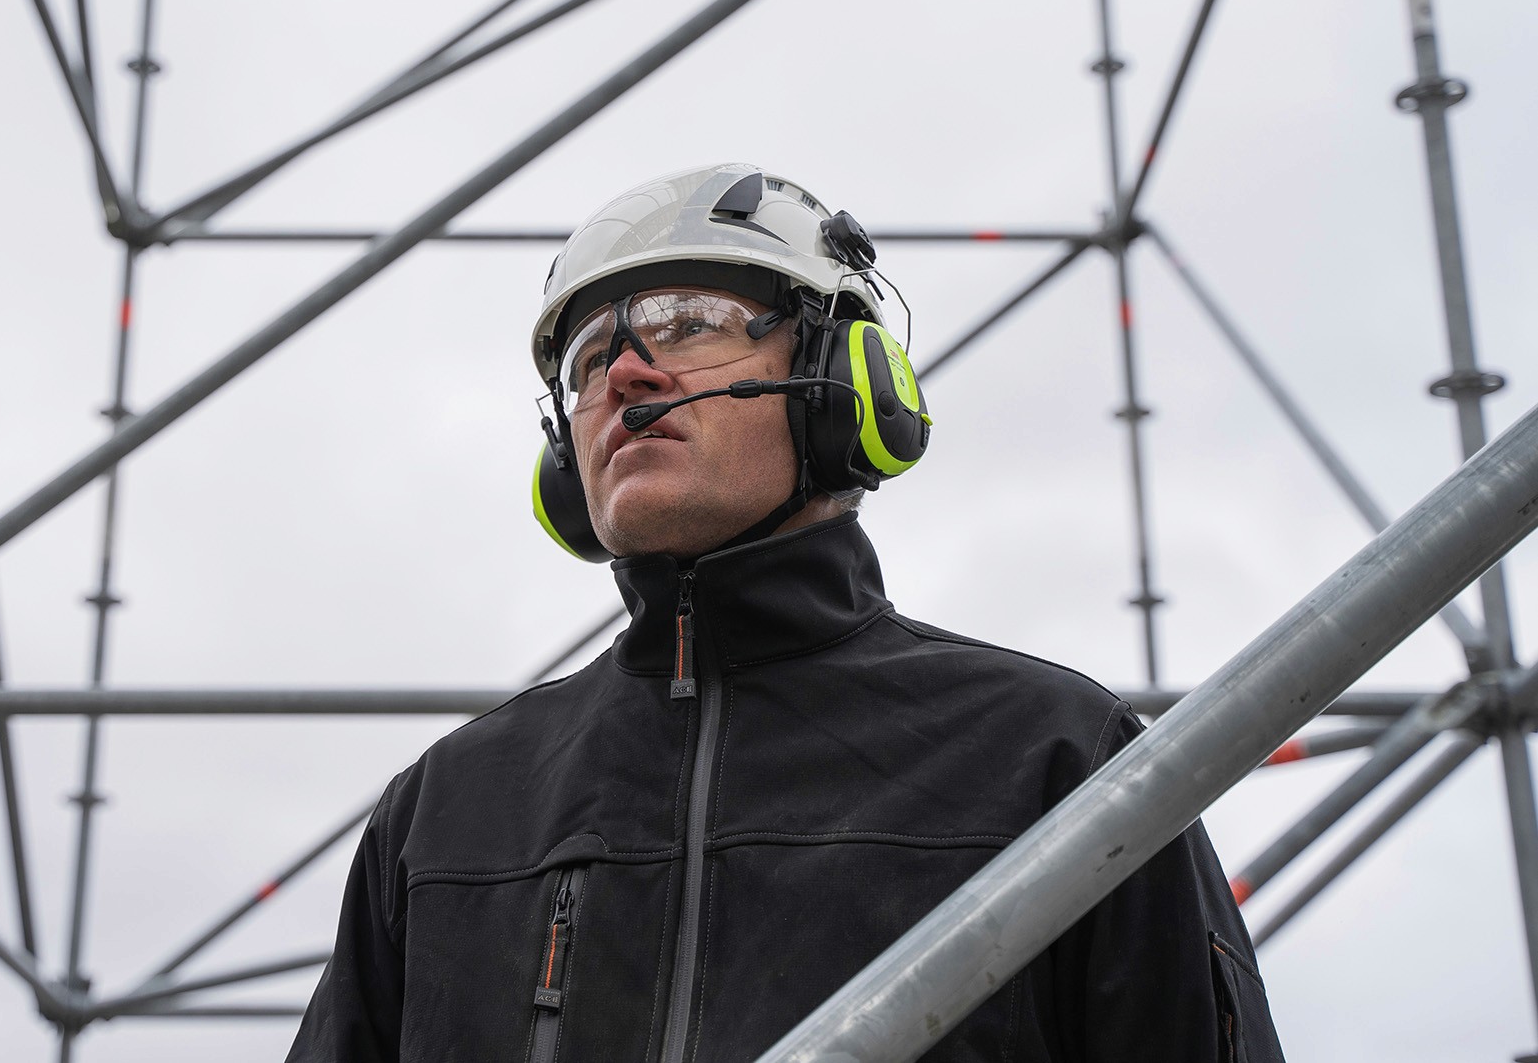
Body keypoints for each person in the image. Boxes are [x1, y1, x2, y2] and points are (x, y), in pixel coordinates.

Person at [286, 164, 1285, 1062]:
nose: (623, 374)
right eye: (589, 357)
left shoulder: (1059, 761)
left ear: (840, 383)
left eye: (684, 321)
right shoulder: (445, 809)